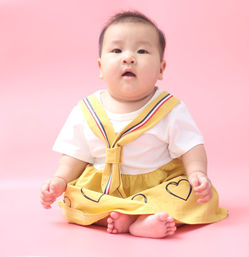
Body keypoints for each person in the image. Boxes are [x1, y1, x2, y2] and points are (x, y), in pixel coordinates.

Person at [40, 11, 227, 238]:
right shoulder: (86, 110)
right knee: (75, 200)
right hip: (103, 189)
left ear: (161, 68)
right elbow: (75, 154)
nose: (128, 58)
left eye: (142, 51)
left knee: (192, 196)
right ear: (100, 67)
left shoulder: (169, 109)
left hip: (157, 186)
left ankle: (137, 220)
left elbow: (191, 145)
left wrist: (197, 173)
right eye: (117, 50)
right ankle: (131, 219)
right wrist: (59, 179)